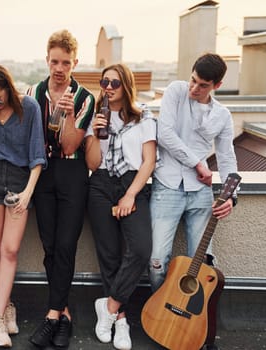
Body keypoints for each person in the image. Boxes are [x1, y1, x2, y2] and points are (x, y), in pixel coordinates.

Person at [148, 53, 238, 350]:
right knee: (158, 261)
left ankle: (196, 325)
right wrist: (198, 163)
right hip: (168, 186)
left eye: (202, 85)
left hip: (201, 194)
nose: (193, 88)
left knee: (205, 266)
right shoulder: (175, 90)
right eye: (193, 80)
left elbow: (226, 157)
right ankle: (163, 320)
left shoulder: (222, 115)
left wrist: (231, 197)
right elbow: (165, 135)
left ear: (217, 85)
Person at [26, 29, 95, 349]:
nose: (59, 67)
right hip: (42, 172)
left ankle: (52, 315)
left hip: (71, 171)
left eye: (65, 62)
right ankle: (63, 313)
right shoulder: (32, 93)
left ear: (74, 63)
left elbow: (69, 144)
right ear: (47, 59)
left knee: (66, 244)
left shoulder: (84, 98)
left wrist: (67, 114)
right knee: (50, 245)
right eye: (54, 61)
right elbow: (28, 139)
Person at [0, 61, 46, 347]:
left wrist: (28, 192)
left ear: (9, 88)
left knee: (10, 249)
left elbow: (37, 154)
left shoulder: (29, 108)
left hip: (19, 181)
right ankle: (5, 309)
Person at [85, 64, 156, 350]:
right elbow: (91, 164)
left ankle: (110, 306)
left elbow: (148, 161)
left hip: (132, 182)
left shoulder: (143, 116)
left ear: (126, 85)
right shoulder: (95, 116)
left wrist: (129, 195)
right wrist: (93, 132)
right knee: (109, 255)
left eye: (115, 83)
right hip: (100, 185)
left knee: (140, 249)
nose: (109, 88)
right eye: (105, 82)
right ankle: (122, 321)